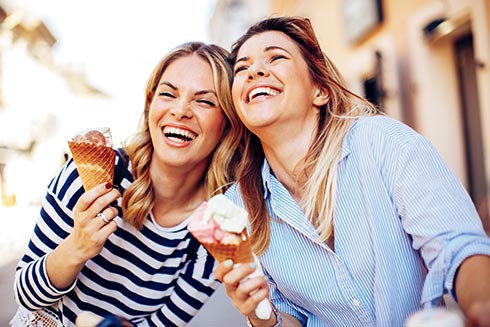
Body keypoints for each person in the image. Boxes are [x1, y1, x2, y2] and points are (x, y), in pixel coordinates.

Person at [215, 16, 490, 327]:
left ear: (320, 90)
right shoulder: (237, 208)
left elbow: (457, 248)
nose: (255, 71)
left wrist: (482, 303)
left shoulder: (382, 143)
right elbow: (290, 319)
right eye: (242, 68)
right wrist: (260, 315)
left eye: (276, 57)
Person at [11, 41, 243, 327]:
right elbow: (26, 296)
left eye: (205, 101)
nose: (180, 110)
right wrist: (77, 248)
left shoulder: (218, 229)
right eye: (168, 94)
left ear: (229, 124)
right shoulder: (91, 176)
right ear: (150, 106)